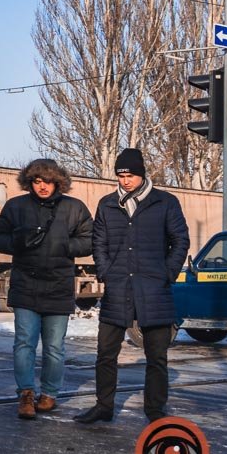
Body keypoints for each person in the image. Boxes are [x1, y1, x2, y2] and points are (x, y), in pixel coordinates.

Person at [75, 148, 190, 424]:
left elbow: (180, 241)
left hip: (155, 290)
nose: (125, 180)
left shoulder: (165, 202)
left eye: (131, 175)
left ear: (142, 174)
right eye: (121, 175)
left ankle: (155, 410)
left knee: (157, 357)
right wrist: (105, 272)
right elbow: (98, 243)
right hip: (118, 289)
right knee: (105, 353)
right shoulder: (107, 204)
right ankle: (104, 405)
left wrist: (166, 273)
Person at [0, 159, 93, 419]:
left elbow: (90, 239)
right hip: (26, 285)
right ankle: (25, 393)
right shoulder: (16, 206)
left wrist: (65, 246)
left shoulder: (74, 208)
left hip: (59, 286)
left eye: (47, 181)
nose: (42, 186)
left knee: (55, 346)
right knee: (24, 343)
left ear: (57, 181)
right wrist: (17, 240)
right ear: (29, 182)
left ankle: (49, 393)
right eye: (37, 181)